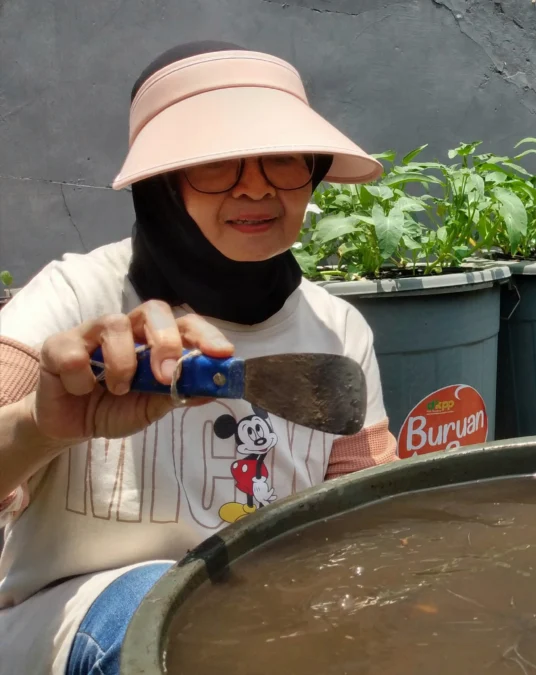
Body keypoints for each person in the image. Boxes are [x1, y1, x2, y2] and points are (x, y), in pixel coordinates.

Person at [0, 42, 397, 674]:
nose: (257, 187)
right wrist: (41, 424)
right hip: (81, 625)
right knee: (165, 613)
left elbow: (359, 524)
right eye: (216, 163)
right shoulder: (74, 299)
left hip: (272, 620)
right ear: (162, 184)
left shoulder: (337, 328)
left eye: (282, 159)